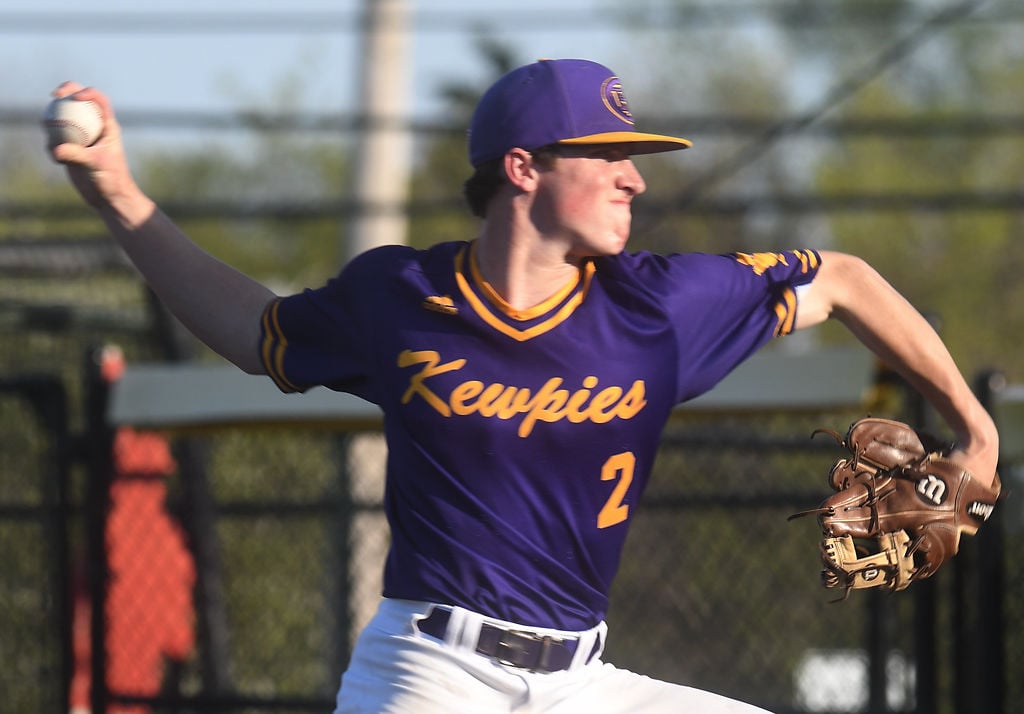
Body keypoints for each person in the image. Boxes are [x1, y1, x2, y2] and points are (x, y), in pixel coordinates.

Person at [50, 58, 999, 714]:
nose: (633, 180)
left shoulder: (659, 307)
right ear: (523, 169)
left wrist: (975, 430)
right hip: (431, 672)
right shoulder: (401, 298)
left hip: (584, 681)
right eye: (608, 156)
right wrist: (118, 196)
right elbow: (253, 334)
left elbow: (843, 278)